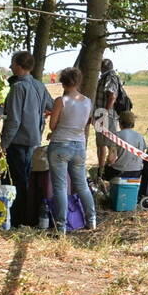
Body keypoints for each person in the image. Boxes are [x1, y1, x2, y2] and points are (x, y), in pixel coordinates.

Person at [0, 51, 53, 226]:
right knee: (28, 180)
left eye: (12, 63)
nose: (10, 66)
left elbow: (14, 120)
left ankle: (18, 219)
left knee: (18, 182)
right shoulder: (39, 85)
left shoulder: (18, 87)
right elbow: (52, 106)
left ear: (19, 66)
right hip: (34, 141)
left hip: (18, 141)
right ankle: (30, 216)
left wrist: (4, 143)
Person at [47, 66, 97, 232]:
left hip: (60, 145)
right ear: (78, 81)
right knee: (82, 185)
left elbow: (53, 125)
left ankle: (61, 226)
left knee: (60, 187)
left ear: (62, 82)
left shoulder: (61, 101)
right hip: (79, 146)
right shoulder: (87, 101)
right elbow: (83, 124)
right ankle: (92, 220)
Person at [101, 109, 146, 182]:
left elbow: (111, 159)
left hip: (120, 172)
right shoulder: (140, 136)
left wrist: (106, 165)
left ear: (120, 122)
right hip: (137, 172)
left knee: (105, 170)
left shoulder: (116, 136)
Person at [94, 59, 123, 165]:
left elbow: (112, 96)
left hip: (105, 114)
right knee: (101, 142)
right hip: (101, 113)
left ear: (102, 67)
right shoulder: (106, 77)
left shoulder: (110, 77)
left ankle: (108, 167)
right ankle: (101, 168)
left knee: (109, 143)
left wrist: (105, 113)